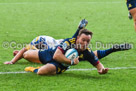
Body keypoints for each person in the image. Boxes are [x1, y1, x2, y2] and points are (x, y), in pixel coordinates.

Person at [4, 19, 88, 64]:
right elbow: (25, 50)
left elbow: (25, 49)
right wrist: (18, 56)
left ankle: (79, 29)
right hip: (53, 41)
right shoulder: (36, 45)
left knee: (76, 53)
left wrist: (12, 61)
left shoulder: (35, 46)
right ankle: (79, 29)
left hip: (52, 45)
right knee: (78, 52)